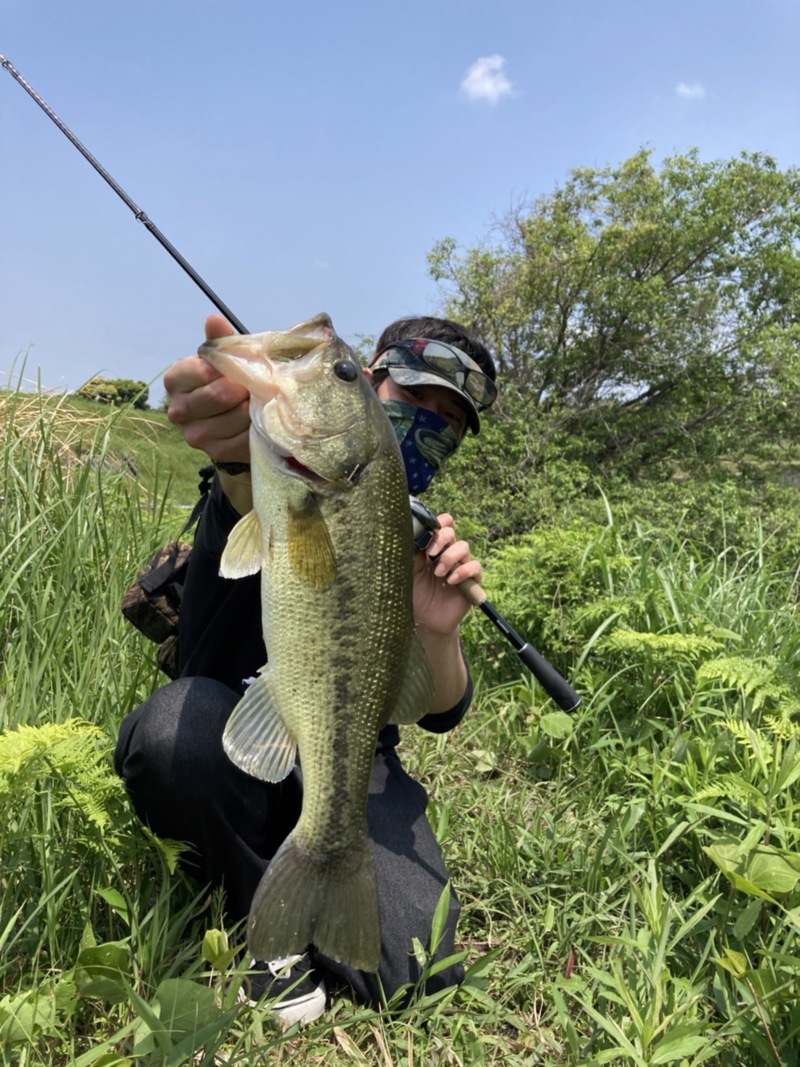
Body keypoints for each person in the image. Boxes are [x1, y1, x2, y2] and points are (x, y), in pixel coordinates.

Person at [114, 312, 498, 1026]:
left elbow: (440, 708)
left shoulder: (414, 533)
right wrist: (234, 454)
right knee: (172, 737)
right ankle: (264, 923)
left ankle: (314, 863)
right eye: (417, 398)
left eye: (452, 419)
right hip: (235, 729)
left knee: (419, 966)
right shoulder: (271, 474)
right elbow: (247, 492)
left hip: (349, 752)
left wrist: (439, 630)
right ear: (376, 379)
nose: (433, 424)